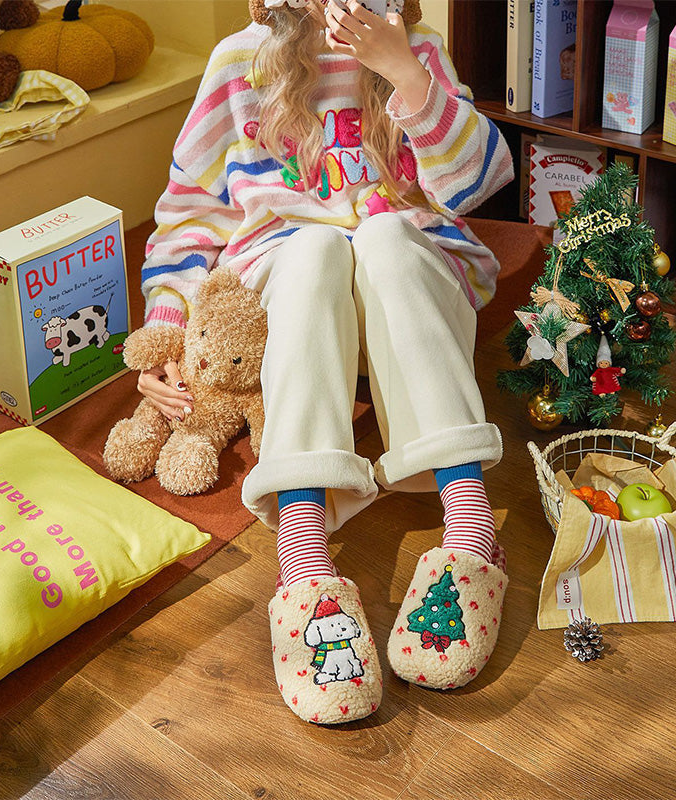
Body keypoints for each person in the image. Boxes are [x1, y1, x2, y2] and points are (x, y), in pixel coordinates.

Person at [135, 0, 514, 724]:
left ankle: (471, 527)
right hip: (296, 296)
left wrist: (404, 70)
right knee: (310, 247)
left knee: (385, 237)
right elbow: (188, 215)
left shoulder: (418, 46)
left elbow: (479, 184)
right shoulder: (238, 63)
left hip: (411, 288)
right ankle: (304, 552)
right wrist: (169, 331)